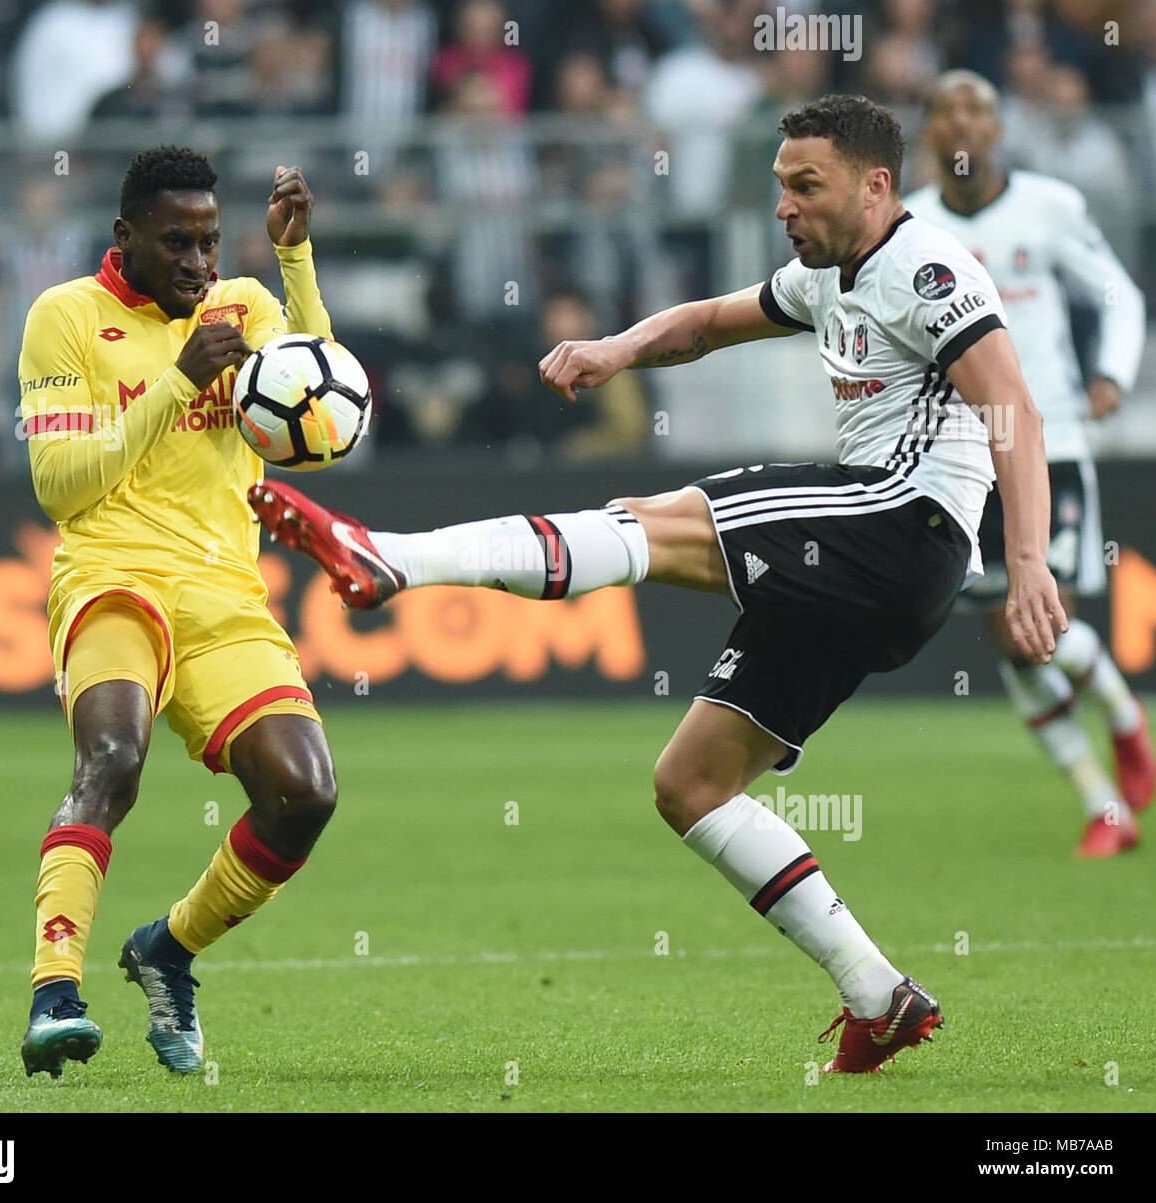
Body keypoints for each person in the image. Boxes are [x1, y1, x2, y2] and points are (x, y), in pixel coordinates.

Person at [251, 95, 1068, 1074]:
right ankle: (877, 993)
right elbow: (711, 322)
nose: (784, 208)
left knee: (647, 522)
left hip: (901, 519)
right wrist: (617, 348)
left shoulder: (925, 270)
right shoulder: (830, 275)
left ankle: (393, 558)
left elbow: (1011, 404)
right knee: (691, 785)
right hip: (871, 570)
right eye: (779, 188)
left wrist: (1025, 559)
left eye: (805, 188)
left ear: (874, 184)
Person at [18, 147, 339, 1079]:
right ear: (126, 238)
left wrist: (294, 264)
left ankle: (170, 948)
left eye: (209, 240)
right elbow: (58, 485)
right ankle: (54, 991)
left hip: (224, 588)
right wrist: (178, 383)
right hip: (111, 575)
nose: (199, 263)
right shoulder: (66, 317)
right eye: (176, 243)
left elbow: (319, 431)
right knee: (111, 759)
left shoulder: (244, 305)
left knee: (305, 793)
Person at [905, 70, 1156, 857]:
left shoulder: (1049, 208)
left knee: (1042, 624)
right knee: (1011, 635)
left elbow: (1118, 292)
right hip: (964, 454)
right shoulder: (911, 227)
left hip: (1051, 443)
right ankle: (1105, 809)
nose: (964, 125)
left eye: (978, 109)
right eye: (947, 112)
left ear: (999, 129)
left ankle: (1123, 722)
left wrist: (1111, 370)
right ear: (932, 133)